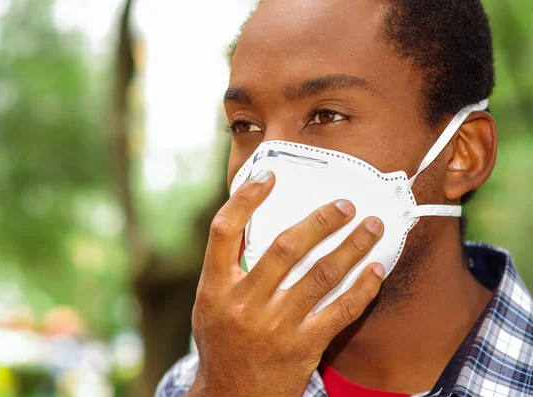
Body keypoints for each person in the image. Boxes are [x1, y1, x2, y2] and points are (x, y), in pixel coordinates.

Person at [156, 0, 533, 396]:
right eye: (244, 124)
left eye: (326, 115)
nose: (268, 167)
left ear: (462, 154)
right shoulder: (193, 384)